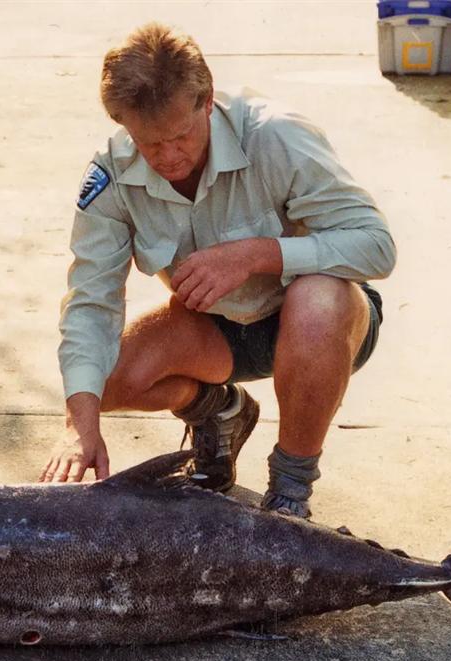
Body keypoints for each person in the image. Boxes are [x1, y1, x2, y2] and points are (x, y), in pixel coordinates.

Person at [40, 24, 395, 518]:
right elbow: (90, 300)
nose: (167, 157)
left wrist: (256, 254)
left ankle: (289, 494)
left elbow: (377, 247)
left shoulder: (277, 135)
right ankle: (220, 413)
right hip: (218, 331)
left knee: (318, 295)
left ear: (206, 101)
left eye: (181, 135)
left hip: (327, 325)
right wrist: (79, 426)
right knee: (102, 383)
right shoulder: (111, 174)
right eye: (148, 143)